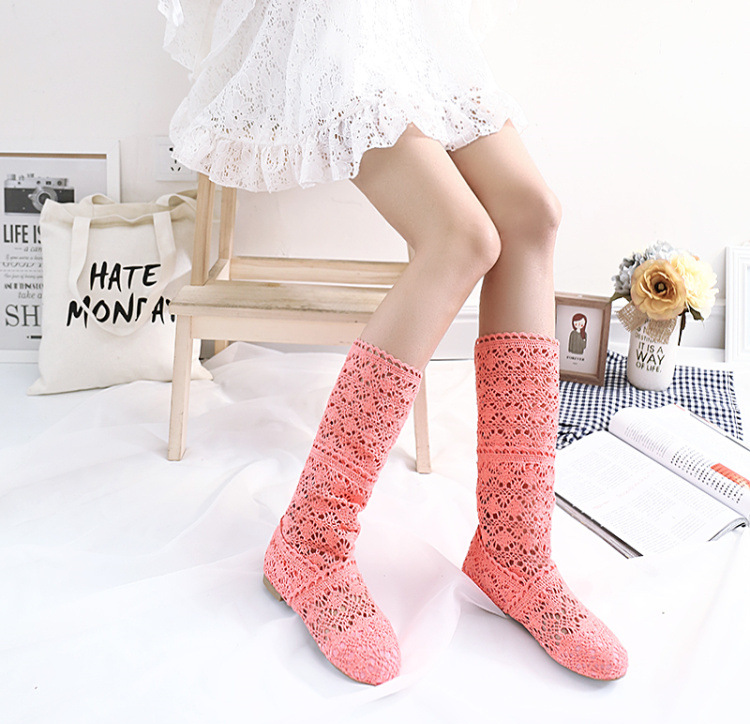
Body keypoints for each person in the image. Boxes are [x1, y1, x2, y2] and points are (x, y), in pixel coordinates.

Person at [159, 0, 628, 685]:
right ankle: (311, 541)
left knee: (532, 214)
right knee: (461, 237)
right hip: (322, 21)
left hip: (403, 19)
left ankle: (515, 549)